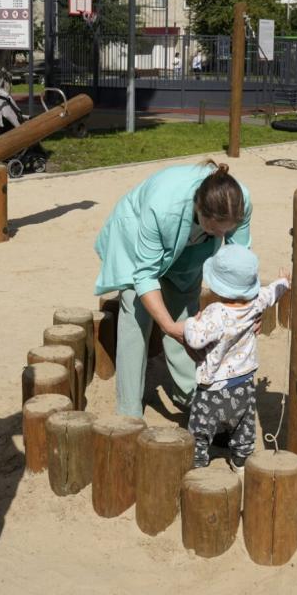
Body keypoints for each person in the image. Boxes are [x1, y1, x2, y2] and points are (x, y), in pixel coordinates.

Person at [94, 160, 252, 418]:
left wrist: (246, 309)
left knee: (186, 315)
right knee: (136, 314)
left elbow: (239, 260)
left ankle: (190, 394)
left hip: (191, 245)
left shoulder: (239, 202)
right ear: (200, 209)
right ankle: (129, 411)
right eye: (215, 229)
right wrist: (166, 326)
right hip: (138, 233)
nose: (221, 234)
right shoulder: (163, 207)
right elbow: (145, 274)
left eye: (227, 230)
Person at [173, 245, 289, 473]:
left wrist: (191, 322)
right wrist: (284, 282)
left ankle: (199, 464)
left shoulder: (215, 312)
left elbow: (195, 339)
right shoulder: (255, 303)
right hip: (244, 385)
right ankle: (241, 462)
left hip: (212, 391)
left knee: (200, 430)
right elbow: (271, 293)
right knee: (244, 429)